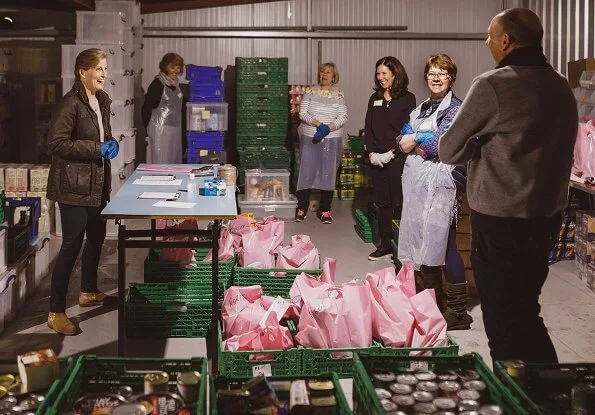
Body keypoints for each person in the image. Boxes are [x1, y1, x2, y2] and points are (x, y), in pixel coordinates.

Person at [439, 8, 578, 362]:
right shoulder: (560, 86)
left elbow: (449, 148)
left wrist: (479, 143)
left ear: (505, 40)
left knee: (501, 318)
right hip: (545, 218)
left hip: (500, 221)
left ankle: (513, 395)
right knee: (526, 311)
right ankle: (546, 389)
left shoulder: (494, 84)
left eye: (489, 36)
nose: (488, 43)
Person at [46, 48, 119, 335]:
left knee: (97, 236)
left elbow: (102, 134)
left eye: (105, 68)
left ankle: (88, 292)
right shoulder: (70, 103)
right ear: (82, 72)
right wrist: (96, 149)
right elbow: (57, 143)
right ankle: (55, 311)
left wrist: (109, 142)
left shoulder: (100, 100)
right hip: (73, 187)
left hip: (96, 183)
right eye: (99, 68)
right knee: (71, 245)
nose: (104, 73)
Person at [397, 54, 473, 330]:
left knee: (446, 244)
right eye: (432, 73)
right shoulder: (422, 108)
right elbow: (400, 137)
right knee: (422, 242)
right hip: (418, 187)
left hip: (442, 186)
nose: (437, 78)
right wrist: (416, 139)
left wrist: (415, 140)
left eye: (443, 73)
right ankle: (433, 303)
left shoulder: (456, 108)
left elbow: (442, 144)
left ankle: (457, 313)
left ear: (451, 78)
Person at [365, 57, 416, 260]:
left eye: (384, 73)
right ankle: (385, 245)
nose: (380, 77)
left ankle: (403, 248)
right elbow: (368, 128)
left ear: (396, 74)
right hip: (377, 158)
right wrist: (371, 154)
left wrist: (392, 153)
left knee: (400, 202)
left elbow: (408, 129)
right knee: (383, 203)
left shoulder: (407, 98)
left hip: (398, 158)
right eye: (378, 73)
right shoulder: (374, 98)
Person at [295, 62, 348, 224]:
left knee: (328, 172)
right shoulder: (310, 92)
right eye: (322, 72)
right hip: (310, 136)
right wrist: (319, 125)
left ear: (334, 77)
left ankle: (325, 209)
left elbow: (343, 117)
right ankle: (302, 208)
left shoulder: (339, 95)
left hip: (332, 138)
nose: (324, 75)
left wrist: (328, 129)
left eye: (328, 72)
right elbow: (302, 113)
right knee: (306, 172)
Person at [142, 52, 184, 164]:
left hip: (174, 131)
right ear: (165, 67)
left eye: (178, 67)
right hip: (159, 132)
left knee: (173, 164)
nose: (176, 71)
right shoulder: (157, 84)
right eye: (172, 67)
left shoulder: (176, 85)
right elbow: (146, 108)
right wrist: (149, 130)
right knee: (160, 164)